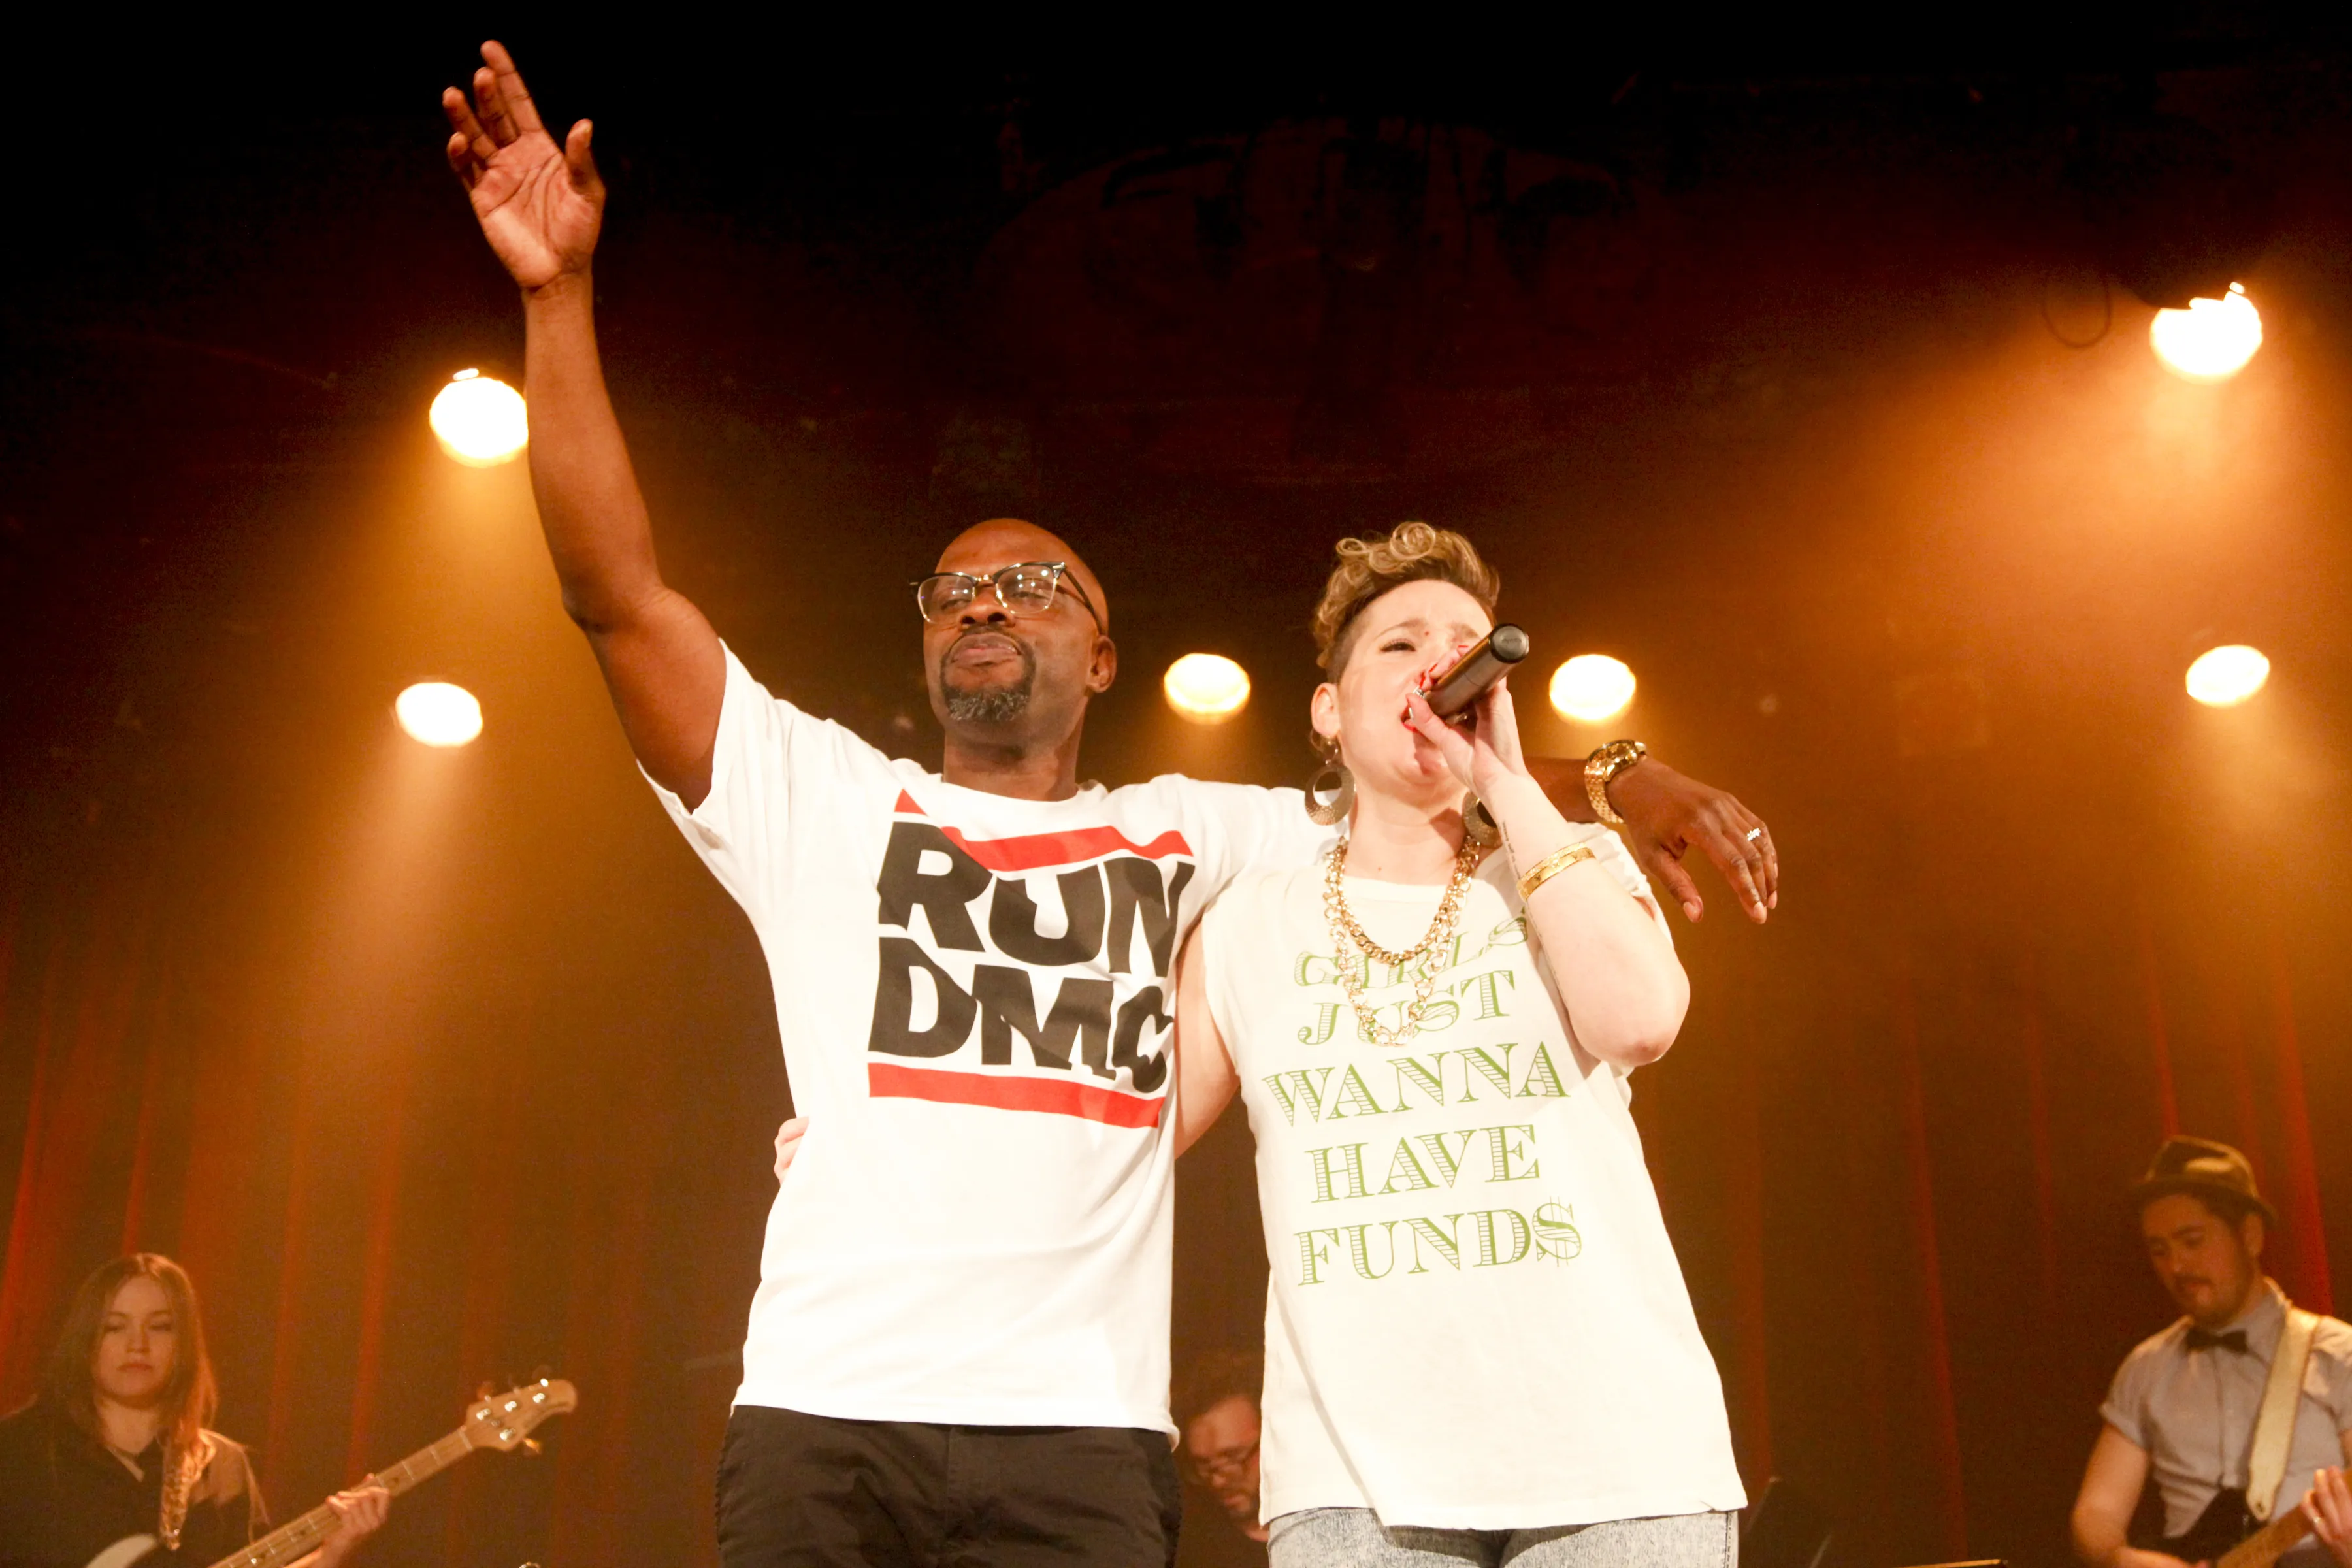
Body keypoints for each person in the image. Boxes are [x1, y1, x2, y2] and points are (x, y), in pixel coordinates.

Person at [440, 42, 1778, 1568]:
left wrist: (1620, 771)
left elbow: (1425, 754)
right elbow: (616, 599)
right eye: (955, 589)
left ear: (1104, 648)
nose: (987, 603)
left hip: (1082, 1436)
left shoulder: (1206, 829)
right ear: (925, 633)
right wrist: (556, 301)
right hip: (828, 1408)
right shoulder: (820, 800)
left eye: (1032, 584)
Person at [1167, 523, 1744, 1566]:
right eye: (1399, 644)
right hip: (1357, 1482)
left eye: (1463, 642)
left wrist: (1509, 785)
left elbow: (1640, 1024)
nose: (1437, 661)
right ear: (1328, 711)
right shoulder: (1250, 924)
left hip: (1616, 1459)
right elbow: (1126, 1137)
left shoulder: (1573, 862)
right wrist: (868, 1148)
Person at [0, 1254, 388, 1568]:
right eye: (115, 1327)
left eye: (161, 1327)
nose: (138, 1344)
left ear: (184, 1343)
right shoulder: (19, 1451)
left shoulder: (225, 1467)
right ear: (85, 1341)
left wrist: (331, 1555)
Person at [2070, 1137, 2352, 1568]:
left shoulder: (2339, 1354)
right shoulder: (2146, 1367)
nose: (2176, 1267)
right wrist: (2120, 1558)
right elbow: (2096, 1513)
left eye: (2193, 1241)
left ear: (2251, 1236)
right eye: (2159, 1250)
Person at [1175, 1351, 1268, 1566]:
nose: (1218, 1482)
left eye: (1234, 1458)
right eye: (1204, 1466)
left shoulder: (1329, 1526)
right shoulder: (1192, 1549)